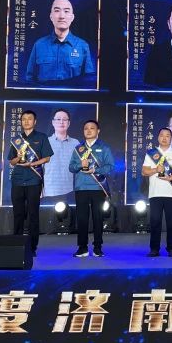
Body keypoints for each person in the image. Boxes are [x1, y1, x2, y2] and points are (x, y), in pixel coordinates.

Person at [7, 110, 53, 256]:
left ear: (35, 121)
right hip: (17, 180)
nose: (26, 121)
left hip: (34, 179)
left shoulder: (41, 137)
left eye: (29, 119)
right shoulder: (17, 139)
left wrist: (32, 164)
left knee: (33, 214)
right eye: (24, 119)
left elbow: (47, 158)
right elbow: (11, 161)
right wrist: (18, 157)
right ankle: (17, 245)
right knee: (18, 213)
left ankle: (32, 247)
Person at [23, 0, 96, 85]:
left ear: (72, 17)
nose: (62, 16)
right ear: (51, 16)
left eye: (66, 11)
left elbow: (89, 80)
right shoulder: (39, 45)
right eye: (57, 11)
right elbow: (30, 79)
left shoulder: (83, 46)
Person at [68, 120, 115, 258]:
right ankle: (82, 248)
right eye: (86, 128)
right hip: (81, 187)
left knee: (98, 218)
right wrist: (80, 165)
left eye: (92, 128)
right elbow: (71, 167)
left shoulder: (104, 148)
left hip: (97, 187)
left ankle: (98, 247)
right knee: (82, 219)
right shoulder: (78, 149)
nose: (88, 131)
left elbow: (110, 166)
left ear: (98, 131)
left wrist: (96, 170)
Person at [141, 127, 172, 257]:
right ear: (158, 137)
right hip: (155, 193)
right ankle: (154, 249)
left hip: (171, 193)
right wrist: (156, 170)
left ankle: (171, 248)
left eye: (167, 136)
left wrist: (170, 178)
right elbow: (144, 171)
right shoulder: (151, 153)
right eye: (162, 135)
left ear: (171, 138)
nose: (164, 138)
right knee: (155, 222)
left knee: (171, 222)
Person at [44, 109, 80, 199]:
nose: (61, 122)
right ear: (53, 122)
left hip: (70, 191)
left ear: (69, 123)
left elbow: (79, 167)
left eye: (64, 119)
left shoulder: (76, 143)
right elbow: (38, 168)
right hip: (49, 191)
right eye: (58, 119)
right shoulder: (45, 142)